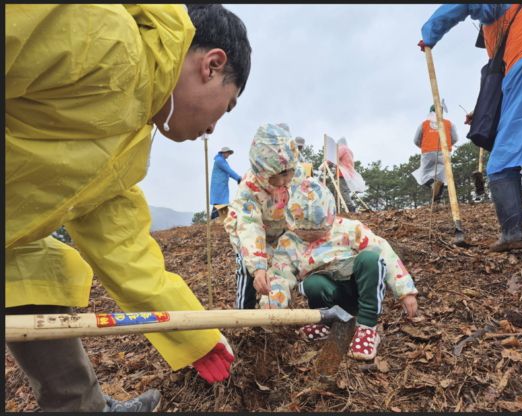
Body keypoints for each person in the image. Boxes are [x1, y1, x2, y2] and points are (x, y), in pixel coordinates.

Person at [5, 4, 251, 412]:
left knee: (38, 268)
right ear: (212, 65)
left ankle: (83, 408)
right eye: (226, 108)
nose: (212, 127)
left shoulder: (126, 145)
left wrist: (197, 335)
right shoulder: (103, 34)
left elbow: (123, 248)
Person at [419, 4, 522, 262]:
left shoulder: (502, 12)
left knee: (502, 161)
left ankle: (512, 233)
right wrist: (480, 112)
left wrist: (430, 32)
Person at [259, 178, 418, 360]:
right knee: (312, 283)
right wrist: (272, 305)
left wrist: (405, 291)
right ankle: (327, 323)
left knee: (370, 259)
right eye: (305, 233)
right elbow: (280, 274)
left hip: (357, 289)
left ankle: (367, 328)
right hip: (329, 293)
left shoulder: (349, 229)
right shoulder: (289, 242)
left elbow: (384, 252)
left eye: (318, 232)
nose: (311, 237)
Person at [224, 123, 304, 309]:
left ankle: (278, 305)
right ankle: (243, 311)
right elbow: (250, 227)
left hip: (281, 228)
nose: (283, 181)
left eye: (287, 174)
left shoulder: (298, 176)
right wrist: (259, 266)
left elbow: (305, 205)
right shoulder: (249, 188)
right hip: (247, 232)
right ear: (262, 172)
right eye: (275, 176)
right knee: (248, 268)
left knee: (282, 266)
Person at [411, 105, 458, 203]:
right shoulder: (449, 124)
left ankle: (433, 186)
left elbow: (416, 140)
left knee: (423, 176)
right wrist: (446, 145)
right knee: (441, 177)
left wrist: (424, 146)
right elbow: (455, 138)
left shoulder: (423, 124)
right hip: (444, 152)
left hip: (428, 152)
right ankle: (437, 200)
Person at [210, 146, 242, 220]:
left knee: (222, 202)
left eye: (229, 153)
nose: (228, 155)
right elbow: (229, 170)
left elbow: (228, 173)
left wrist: (238, 178)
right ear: (223, 153)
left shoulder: (223, 161)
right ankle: (215, 219)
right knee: (219, 201)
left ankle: (218, 219)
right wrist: (238, 178)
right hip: (218, 185)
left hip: (222, 184)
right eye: (228, 153)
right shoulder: (219, 161)